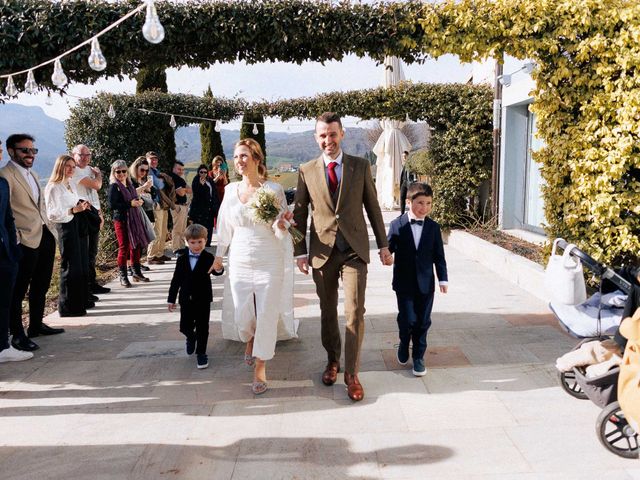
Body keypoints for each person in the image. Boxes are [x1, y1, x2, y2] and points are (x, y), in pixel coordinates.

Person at [292, 112, 391, 402]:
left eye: (332, 134)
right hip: (322, 254)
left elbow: (373, 208)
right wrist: (299, 250)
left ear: (342, 134)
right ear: (316, 138)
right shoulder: (306, 170)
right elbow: (298, 214)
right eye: (322, 135)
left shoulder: (360, 167)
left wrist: (383, 245)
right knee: (327, 311)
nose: (328, 140)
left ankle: (352, 374)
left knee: (355, 312)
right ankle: (332, 361)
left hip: (354, 252)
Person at [213, 138, 298, 395]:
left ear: (257, 159)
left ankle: (260, 365)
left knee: (267, 311)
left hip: (268, 257)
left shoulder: (273, 189)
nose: (239, 161)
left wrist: (282, 224)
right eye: (236, 156)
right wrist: (219, 255)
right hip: (239, 258)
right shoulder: (229, 191)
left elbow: (280, 228)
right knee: (243, 313)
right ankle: (249, 338)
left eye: (244, 156)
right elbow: (225, 227)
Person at [0, 134, 62, 352]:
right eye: (25, 150)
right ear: (10, 151)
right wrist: (15, 235)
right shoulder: (5, 175)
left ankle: (36, 325)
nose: (30, 154)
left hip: (43, 234)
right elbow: (4, 210)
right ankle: (18, 335)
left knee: (41, 284)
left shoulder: (34, 174)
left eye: (33, 150)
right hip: (24, 239)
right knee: (18, 290)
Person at [386, 182, 448, 376]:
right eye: (420, 203)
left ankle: (419, 356)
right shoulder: (398, 224)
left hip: (425, 284)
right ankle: (404, 342)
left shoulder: (433, 227)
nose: (425, 208)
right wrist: (386, 256)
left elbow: (439, 256)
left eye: (429, 203)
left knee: (423, 321)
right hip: (403, 283)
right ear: (409, 201)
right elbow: (388, 247)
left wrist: (443, 279)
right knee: (407, 320)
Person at [167, 224, 224, 369]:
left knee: (202, 327)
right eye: (193, 242)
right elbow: (176, 280)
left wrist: (219, 268)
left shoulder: (208, 257)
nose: (197, 245)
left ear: (205, 240)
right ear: (187, 242)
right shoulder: (182, 259)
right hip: (186, 298)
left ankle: (201, 353)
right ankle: (191, 337)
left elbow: (216, 272)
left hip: (203, 298)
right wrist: (171, 299)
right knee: (184, 326)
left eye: (200, 242)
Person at [45, 154, 92, 317]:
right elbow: (52, 214)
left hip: (76, 224)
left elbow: (71, 202)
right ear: (60, 167)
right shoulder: (53, 186)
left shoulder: (70, 183)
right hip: (65, 226)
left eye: (73, 166)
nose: (72, 169)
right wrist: (73, 210)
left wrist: (81, 204)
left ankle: (78, 304)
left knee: (78, 265)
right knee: (69, 266)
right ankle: (66, 307)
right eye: (68, 166)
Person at [0, 140, 33, 362]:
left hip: (5, 253)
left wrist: (12, 246)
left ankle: (3, 346)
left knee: (4, 300)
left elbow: (7, 217)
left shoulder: (1, 183)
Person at [71, 144, 109, 295]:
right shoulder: (74, 171)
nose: (85, 158)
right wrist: (99, 175)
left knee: (92, 251)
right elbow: (96, 185)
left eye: (88, 155)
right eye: (81, 155)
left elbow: (94, 194)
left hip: (94, 213)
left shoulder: (89, 169)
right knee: (85, 252)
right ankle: (86, 287)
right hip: (83, 215)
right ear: (73, 155)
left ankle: (92, 283)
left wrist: (100, 213)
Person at [108, 160, 152, 287]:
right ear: (114, 173)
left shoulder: (129, 185)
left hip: (134, 219)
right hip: (121, 220)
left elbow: (133, 199)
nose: (121, 174)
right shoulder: (114, 186)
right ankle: (123, 276)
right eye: (118, 171)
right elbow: (112, 205)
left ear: (127, 172)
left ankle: (136, 272)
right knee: (124, 247)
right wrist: (130, 204)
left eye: (123, 171)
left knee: (136, 245)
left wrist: (138, 202)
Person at [146, 151, 175, 265]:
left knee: (163, 230)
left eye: (155, 159)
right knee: (157, 230)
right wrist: (163, 180)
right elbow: (159, 185)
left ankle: (159, 253)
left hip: (162, 204)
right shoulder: (148, 171)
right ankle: (151, 255)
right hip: (155, 203)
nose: (154, 161)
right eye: (151, 159)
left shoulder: (156, 171)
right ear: (147, 160)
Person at [188, 164, 219, 247]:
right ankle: (200, 242)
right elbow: (197, 194)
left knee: (209, 226)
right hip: (200, 208)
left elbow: (214, 193)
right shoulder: (196, 180)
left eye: (205, 172)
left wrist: (216, 205)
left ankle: (207, 242)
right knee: (200, 226)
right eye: (201, 172)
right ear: (198, 172)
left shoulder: (210, 180)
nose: (203, 174)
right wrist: (201, 185)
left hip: (210, 207)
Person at [169, 161, 192, 255]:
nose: (181, 171)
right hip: (177, 206)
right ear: (173, 168)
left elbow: (189, 190)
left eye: (182, 169)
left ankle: (182, 247)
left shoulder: (180, 179)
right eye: (179, 169)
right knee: (177, 229)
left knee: (182, 229)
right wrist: (184, 190)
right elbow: (181, 193)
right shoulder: (172, 178)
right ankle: (176, 248)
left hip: (183, 206)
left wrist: (184, 190)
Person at [210, 155, 228, 228]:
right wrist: (217, 176)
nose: (219, 165)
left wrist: (224, 176)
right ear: (214, 163)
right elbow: (211, 183)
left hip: (223, 194)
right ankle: (216, 226)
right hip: (215, 195)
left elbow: (226, 183)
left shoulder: (224, 172)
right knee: (216, 211)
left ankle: (223, 226)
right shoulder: (211, 173)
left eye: (220, 163)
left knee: (223, 211)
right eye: (217, 163)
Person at [399, 151, 417, 215]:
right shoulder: (403, 164)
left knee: (411, 198)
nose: (404, 158)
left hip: (409, 183)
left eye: (405, 156)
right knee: (402, 198)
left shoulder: (411, 164)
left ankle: (412, 213)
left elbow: (414, 173)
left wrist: (414, 181)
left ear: (408, 156)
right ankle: (402, 214)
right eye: (403, 156)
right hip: (404, 183)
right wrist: (400, 184)